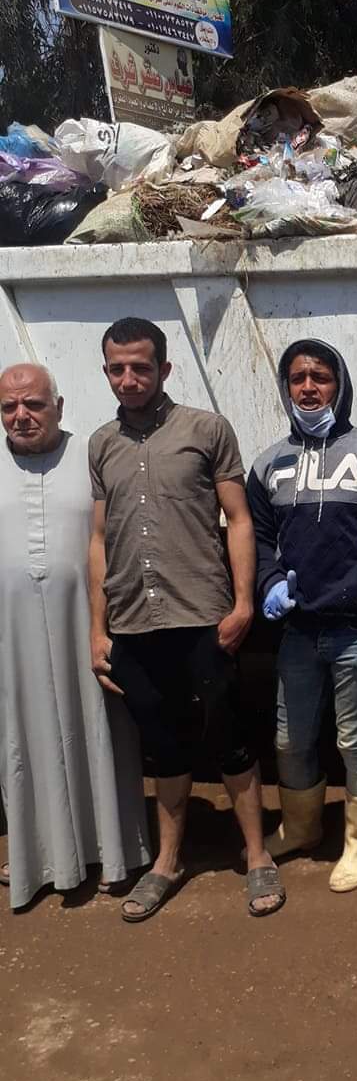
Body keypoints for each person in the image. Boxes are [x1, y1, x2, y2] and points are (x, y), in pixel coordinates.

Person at [88, 318, 284, 921]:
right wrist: (97, 629)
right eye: (117, 369)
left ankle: (257, 855)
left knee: (228, 737)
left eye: (140, 367)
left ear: (164, 369)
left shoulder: (206, 429)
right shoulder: (101, 444)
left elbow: (239, 519)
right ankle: (167, 861)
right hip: (133, 623)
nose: (129, 379)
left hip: (203, 616)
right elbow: (99, 540)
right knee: (163, 746)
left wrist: (243, 604)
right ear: (106, 372)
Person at [246, 339, 357, 892]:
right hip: (299, 631)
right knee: (289, 740)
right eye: (297, 378)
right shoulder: (268, 463)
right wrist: (269, 583)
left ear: (340, 386)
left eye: (320, 377)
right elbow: (260, 541)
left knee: (355, 741)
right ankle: (301, 827)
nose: (308, 388)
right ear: (285, 388)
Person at [0, 363, 149, 910]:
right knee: (23, 738)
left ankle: (113, 852)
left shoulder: (92, 457)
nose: (21, 416)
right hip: (10, 635)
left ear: (58, 407)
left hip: (86, 624)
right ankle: (39, 857)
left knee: (98, 730)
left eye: (33, 405)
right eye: (9, 408)